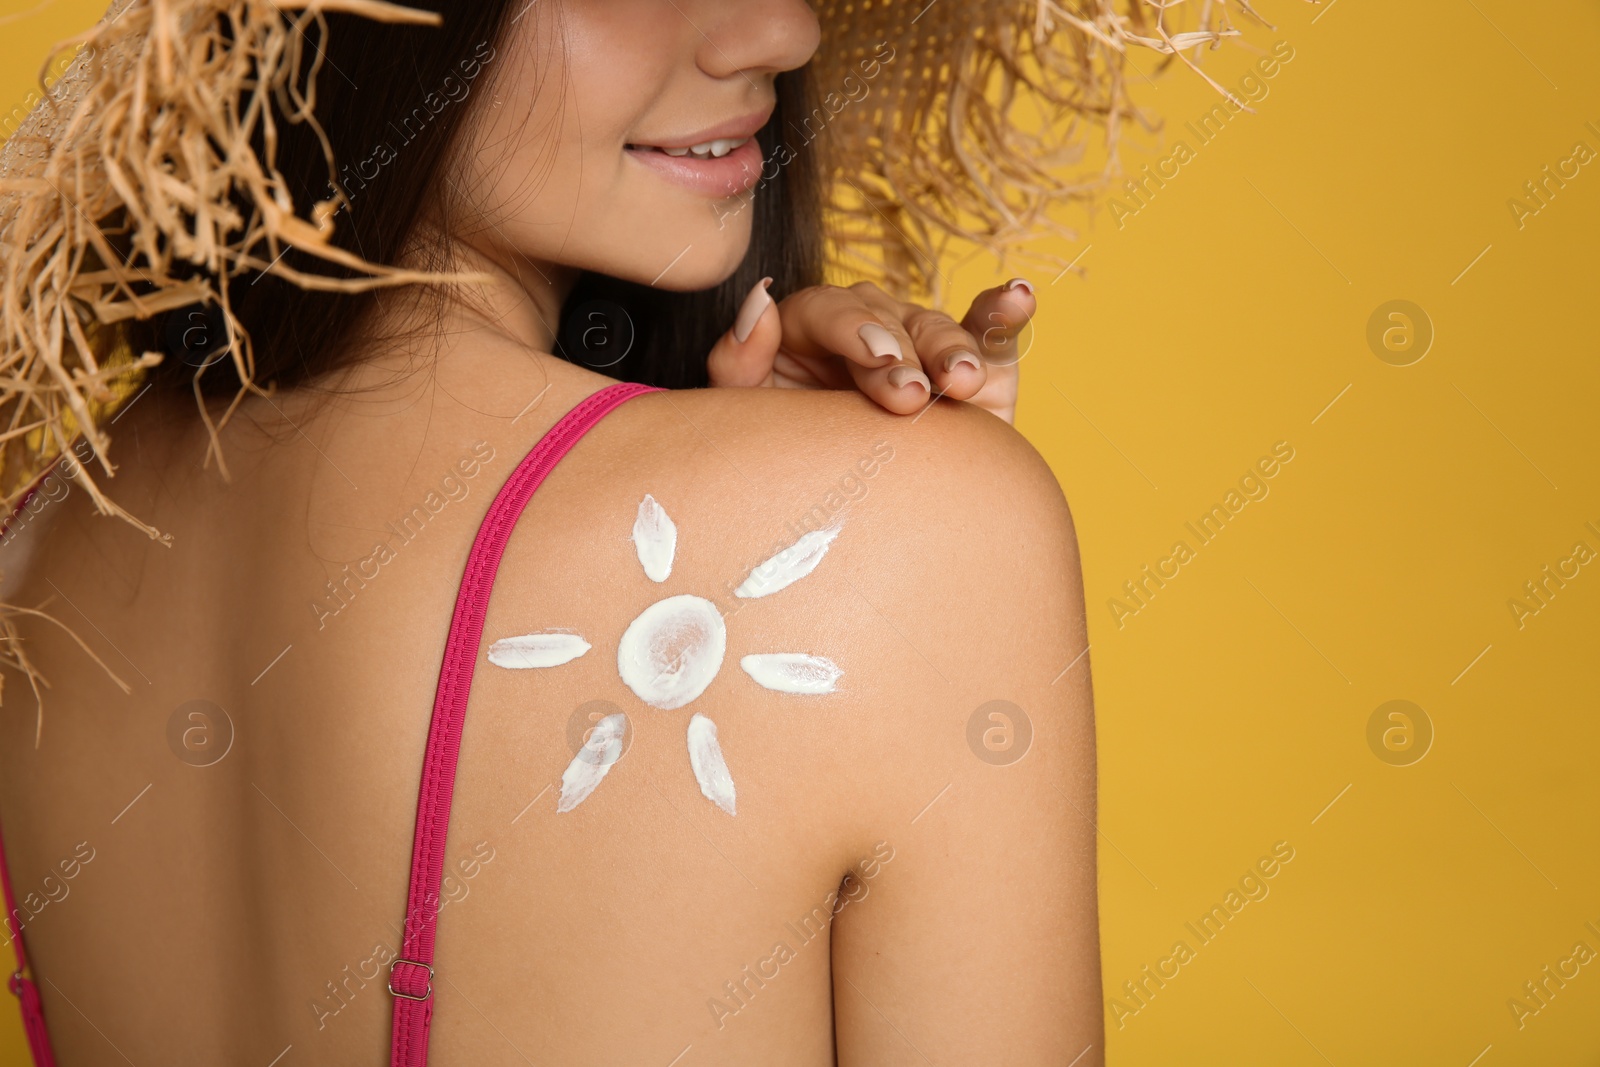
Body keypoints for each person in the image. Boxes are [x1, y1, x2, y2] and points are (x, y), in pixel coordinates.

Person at [0, 0, 1207, 1061]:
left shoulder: (39, 540)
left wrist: (716, 445)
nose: (784, 29)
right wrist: (923, 506)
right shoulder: (912, 521)